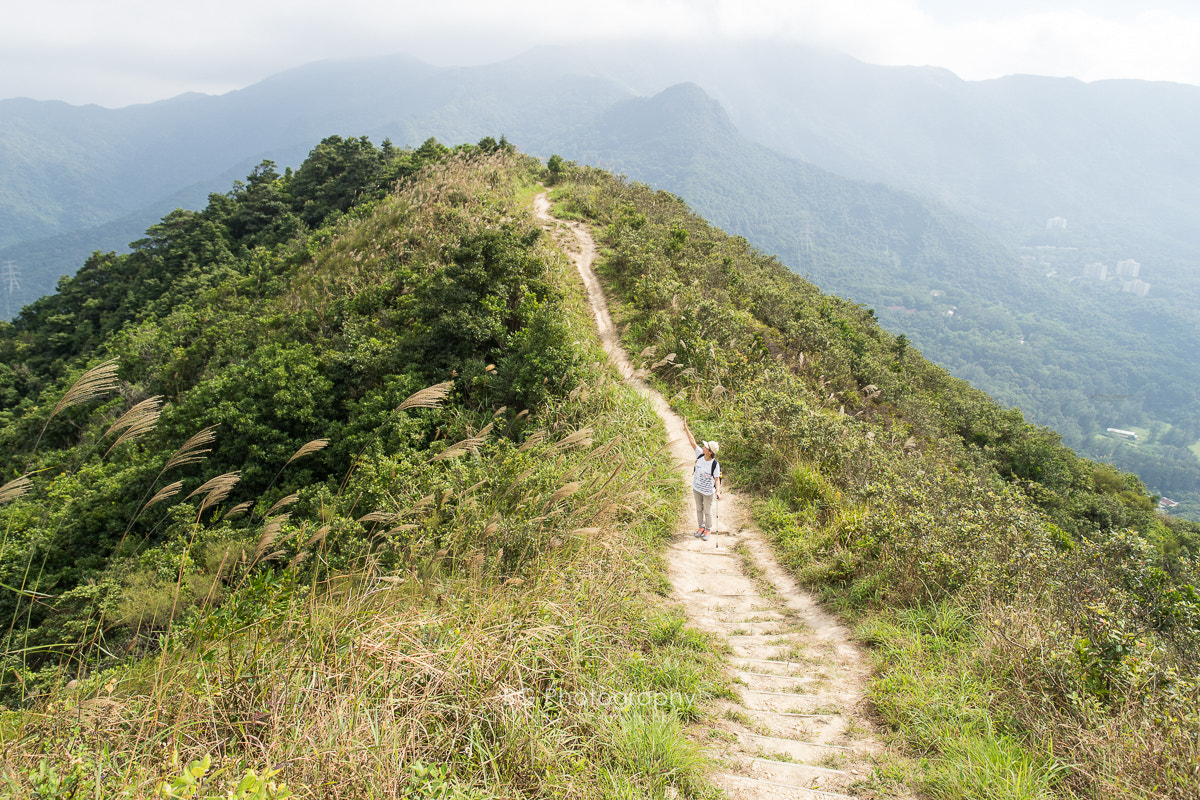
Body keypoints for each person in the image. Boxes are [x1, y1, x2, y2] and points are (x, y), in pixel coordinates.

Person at [682, 420, 721, 540]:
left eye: (706, 447)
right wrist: (685, 427)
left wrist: (718, 491)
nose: (703, 447)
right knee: (699, 508)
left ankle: (708, 529)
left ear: (710, 452)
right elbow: (692, 440)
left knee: (707, 511)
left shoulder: (715, 464)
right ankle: (701, 527)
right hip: (697, 489)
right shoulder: (700, 455)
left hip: (708, 492)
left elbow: (716, 479)